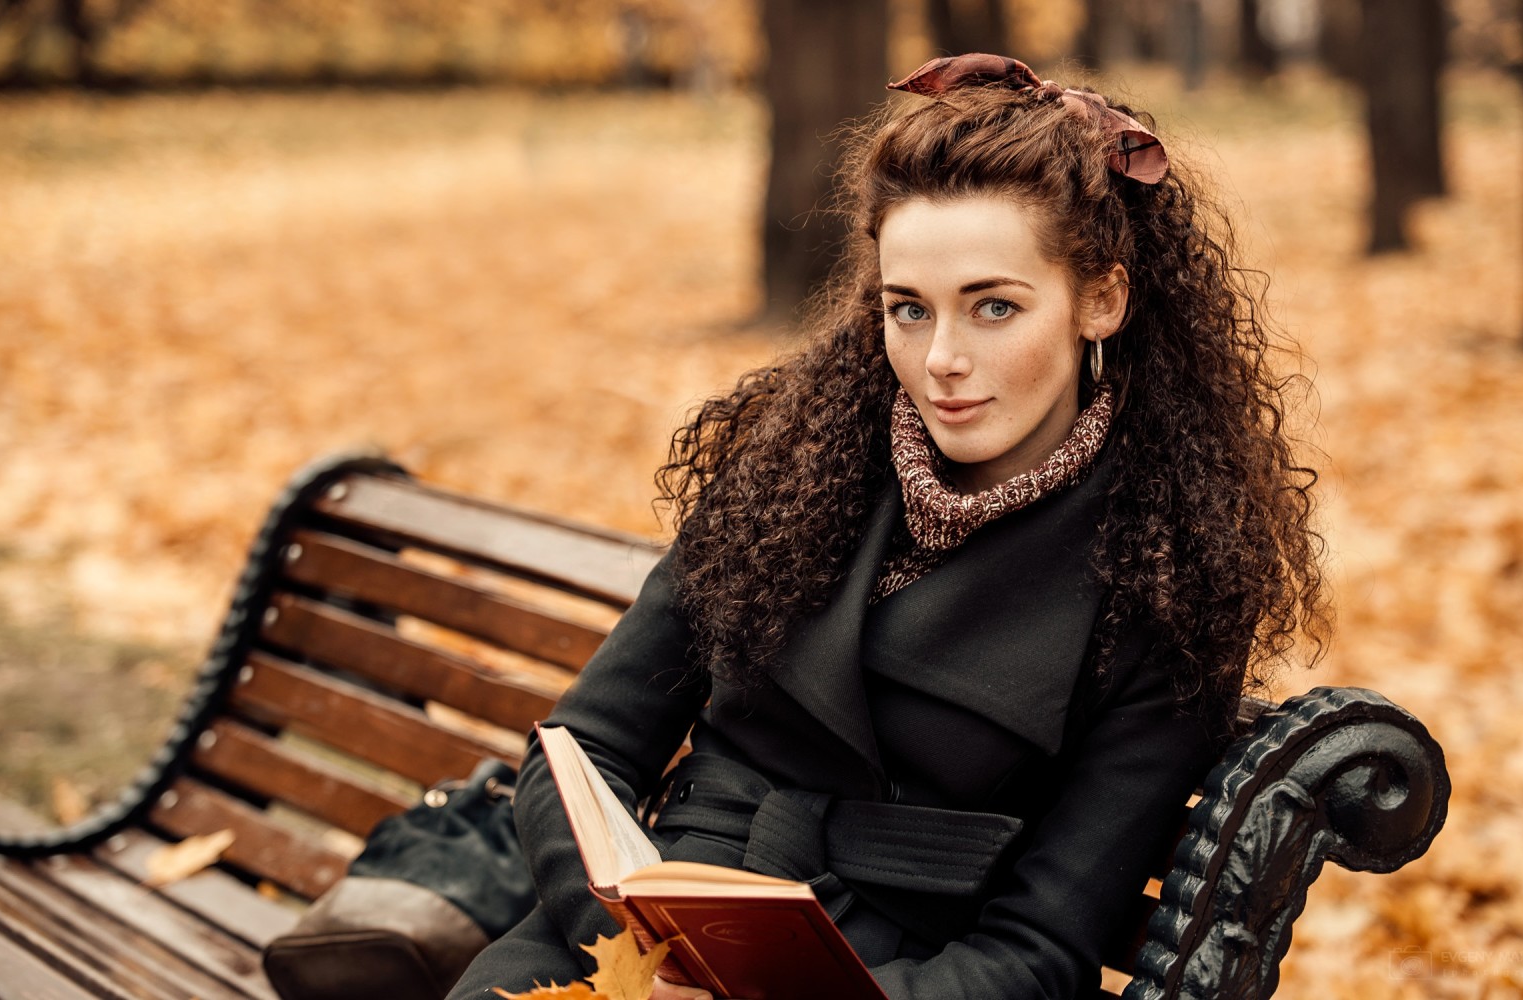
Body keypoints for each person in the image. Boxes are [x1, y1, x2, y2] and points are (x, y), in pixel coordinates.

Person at [447, 53, 1329, 1000]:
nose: (942, 357)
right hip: (626, 937)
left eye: (994, 307)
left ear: (1101, 300)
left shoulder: (1165, 577)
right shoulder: (795, 470)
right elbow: (582, 750)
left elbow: (1038, 952)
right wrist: (634, 944)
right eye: (908, 309)